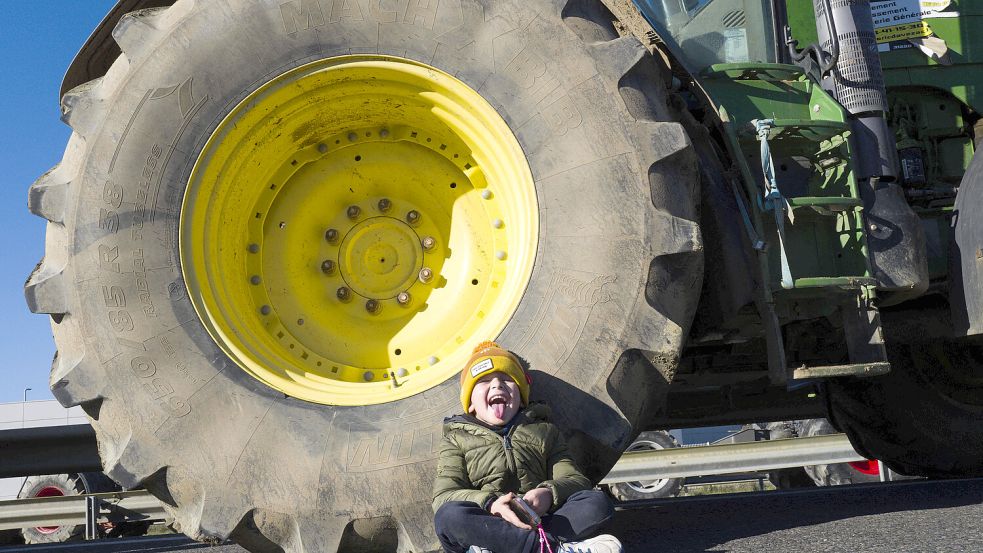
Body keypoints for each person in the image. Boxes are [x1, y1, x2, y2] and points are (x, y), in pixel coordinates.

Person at [432, 341, 622, 553]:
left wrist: (548, 493)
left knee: (596, 502)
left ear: (521, 398)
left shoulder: (545, 431)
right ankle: (551, 547)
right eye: (484, 381)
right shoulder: (456, 438)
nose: (497, 385)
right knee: (448, 516)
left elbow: (575, 481)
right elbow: (444, 496)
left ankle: (527, 546)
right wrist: (490, 504)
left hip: (541, 518)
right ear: (471, 403)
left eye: (507, 379)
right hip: (492, 523)